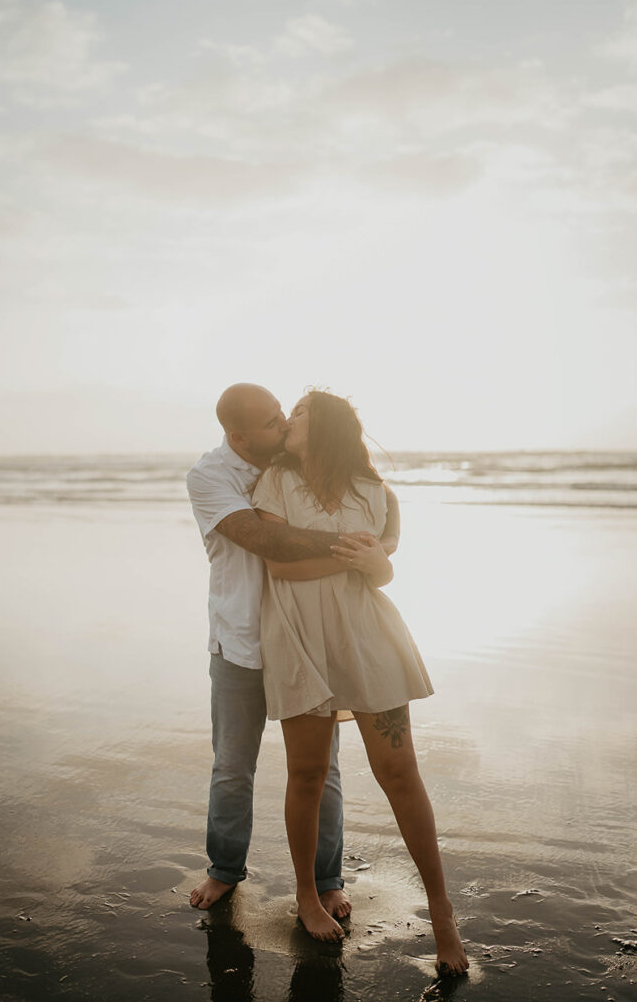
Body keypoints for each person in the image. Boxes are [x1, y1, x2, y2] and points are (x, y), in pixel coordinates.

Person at [251, 390, 469, 976]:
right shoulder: (275, 481)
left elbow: (386, 567)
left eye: (298, 411)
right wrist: (358, 560)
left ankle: (443, 914)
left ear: (324, 426)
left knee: (400, 773)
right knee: (308, 773)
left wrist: (376, 563)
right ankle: (306, 894)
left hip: (369, 639)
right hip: (300, 639)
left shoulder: (378, 494)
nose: (289, 419)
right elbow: (279, 565)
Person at [186, 383, 400, 917]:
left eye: (285, 415)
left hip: (305, 641)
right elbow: (269, 543)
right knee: (233, 766)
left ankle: (327, 880)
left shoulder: (294, 462)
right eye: (270, 422)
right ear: (238, 436)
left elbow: (369, 491)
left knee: (320, 769)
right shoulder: (210, 476)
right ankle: (224, 870)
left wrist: (382, 544)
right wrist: (359, 547)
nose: (283, 426)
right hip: (240, 641)